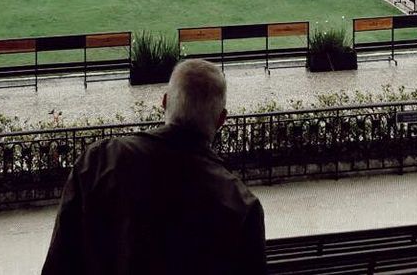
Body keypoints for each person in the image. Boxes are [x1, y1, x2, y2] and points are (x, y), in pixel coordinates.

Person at [41, 59, 266, 275]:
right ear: (221, 119)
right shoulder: (241, 204)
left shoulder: (99, 160)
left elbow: (59, 263)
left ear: (165, 102)